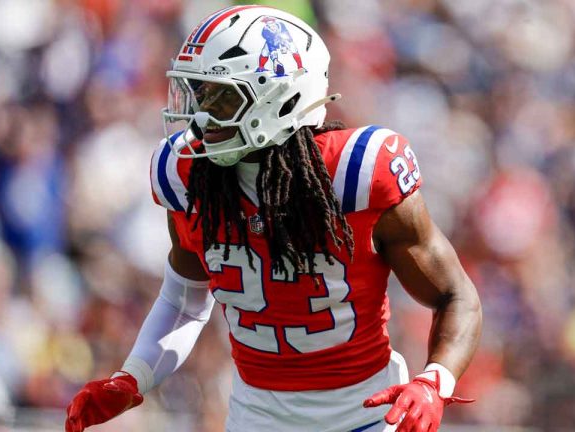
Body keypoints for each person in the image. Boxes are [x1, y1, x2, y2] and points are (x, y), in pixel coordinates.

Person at [65, 5, 481, 432]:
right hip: (257, 418)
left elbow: (456, 296)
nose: (202, 115)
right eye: (198, 93)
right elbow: (184, 301)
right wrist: (133, 376)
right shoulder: (186, 176)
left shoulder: (356, 173)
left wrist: (435, 381)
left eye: (221, 97)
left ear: (280, 97)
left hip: (369, 416)